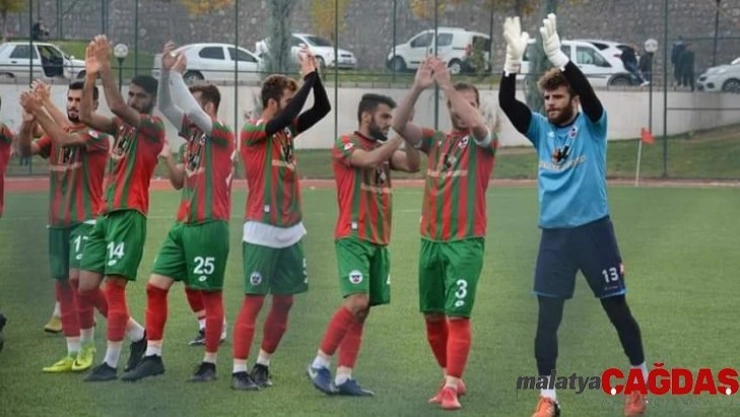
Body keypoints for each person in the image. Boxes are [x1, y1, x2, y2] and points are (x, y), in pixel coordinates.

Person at [498, 15, 648, 417]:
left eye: (558, 97)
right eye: (547, 98)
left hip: (594, 233)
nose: (550, 104)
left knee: (617, 312)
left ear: (573, 99)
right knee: (547, 321)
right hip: (555, 239)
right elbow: (508, 105)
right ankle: (549, 398)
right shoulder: (540, 131)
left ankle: (639, 383)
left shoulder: (593, 125)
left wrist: (560, 57)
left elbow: (590, 95)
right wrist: (511, 63)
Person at [120, 42, 235, 383]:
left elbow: (191, 110)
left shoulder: (221, 134)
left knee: (210, 294)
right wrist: (166, 71)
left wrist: (178, 76)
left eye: (196, 102)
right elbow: (167, 105)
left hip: (210, 224)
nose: (189, 108)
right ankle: (153, 355)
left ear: (209, 106)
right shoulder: (193, 138)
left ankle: (209, 363)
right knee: (155, 286)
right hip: (183, 225)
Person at [393, 56, 498, 410]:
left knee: (458, 315)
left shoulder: (484, 143)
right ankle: (450, 377)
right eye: (458, 104)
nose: (464, 109)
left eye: (471, 104)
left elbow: (476, 123)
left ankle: (451, 385)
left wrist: (449, 87)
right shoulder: (435, 140)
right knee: (433, 317)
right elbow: (398, 124)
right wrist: (419, 87)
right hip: (431, 242)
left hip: (464, 243)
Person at [307, 94, 421, 396]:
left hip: (378, 238)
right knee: (356, 302)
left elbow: (413, 164)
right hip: (353, 236)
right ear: (367, 117)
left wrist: (408, 134)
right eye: (385, 117)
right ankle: (319, 363)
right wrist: (399, 134)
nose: (389, 123)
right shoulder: (346, 143)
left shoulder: (384, 150)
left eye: (391, 118)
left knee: (363, 309)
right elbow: (367, 160)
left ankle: (344, 377)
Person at [231, 46, 330, 391]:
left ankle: (262, 364)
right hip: (261, 228)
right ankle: (239, 371)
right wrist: (308, 79)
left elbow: (323, 108)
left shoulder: (287, 131)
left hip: (291, 229)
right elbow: (286, 117)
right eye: (288, 100)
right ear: (273, 103)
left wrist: (315, 78)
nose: (293, 107)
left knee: (285, 301)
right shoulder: (253, 130)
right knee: (254, 301)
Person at [77, 35, 165, 382]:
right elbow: (85, 114)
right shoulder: (121, 127)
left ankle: (110, 364)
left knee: (114, 289)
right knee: (86, 287)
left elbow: (114, 106)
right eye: (131, 94)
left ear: (152, 100)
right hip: (105, 214)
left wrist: (105, 68)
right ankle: (139, 335)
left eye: (140, 96)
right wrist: (89, 76)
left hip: (130, 214)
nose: (133, 100)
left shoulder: (154, 127)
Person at [16, 80, 111, 373]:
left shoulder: (96, 134)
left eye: (79, 100)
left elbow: (66, 138)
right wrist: (27, 124)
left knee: (78, 281)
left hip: (86, 219)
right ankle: (72, 353)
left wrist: (41, 106)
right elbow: (25, 151)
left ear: (94, 106)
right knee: (64, 288)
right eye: (69, 99)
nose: (73, 104)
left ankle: (116, 332)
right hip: (57, 221)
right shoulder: (57, 133)